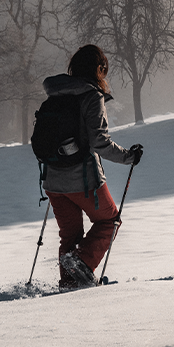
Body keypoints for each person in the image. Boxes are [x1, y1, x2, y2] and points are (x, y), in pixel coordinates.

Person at [40, 45, 142, 288]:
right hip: (83, 180)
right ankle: (82, 263)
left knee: (70, 235)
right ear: (99, 69)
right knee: (110, 221)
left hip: (53, 180)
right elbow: (99, 142)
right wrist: (129, 157)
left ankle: (69, 283)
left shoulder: (56, 94)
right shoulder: (91, 96)